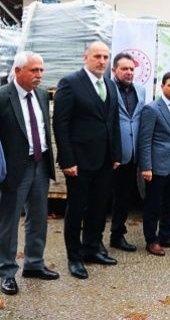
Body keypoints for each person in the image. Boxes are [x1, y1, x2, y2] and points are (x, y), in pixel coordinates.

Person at [53, 41, 122, 280]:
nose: (102, 61)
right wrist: (67, 159)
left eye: (105, 57)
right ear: (86, 58)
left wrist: (116, 154)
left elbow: (112, 122)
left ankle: (92, 247)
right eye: (97, 56)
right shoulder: (70, 83)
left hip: (104, 160)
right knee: (77, 208)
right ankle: (75, 257)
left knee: (99, 206)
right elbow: (60, 125)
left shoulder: (110, 86)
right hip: (79, 161)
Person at [0, 52, 58, 295]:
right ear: (18, 71)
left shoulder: (42, 94)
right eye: (34, 71)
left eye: (41, 70)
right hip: (15, 169)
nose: (39, 75)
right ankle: (6, 272)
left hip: (40, 164)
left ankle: (34, 263)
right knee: (9, 221)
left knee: (38, 215)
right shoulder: (3, 96)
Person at [138, 72, 170, 256]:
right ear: (162, 86)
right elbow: (145, 140)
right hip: (157, 166)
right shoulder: (152, 109)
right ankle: (151, 240)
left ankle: (166, 235)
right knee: (153, 204)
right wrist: (146, 167)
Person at [109, 52, 145, 252]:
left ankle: (117, 236)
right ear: (114, 70)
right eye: (124, 69)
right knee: (101, 198)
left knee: (124, 197)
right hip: (111, 155)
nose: (129, 72)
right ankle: (93, 239)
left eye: (131, 69)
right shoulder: (107, 89)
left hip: (131, 154)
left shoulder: (140, 90)